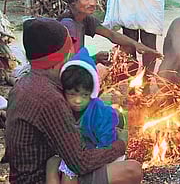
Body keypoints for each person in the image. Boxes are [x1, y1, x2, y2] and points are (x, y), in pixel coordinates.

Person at [4, 18, 142, 183]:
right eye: (70, 49)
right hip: (39, 179)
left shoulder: (25, 83)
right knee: (132, 170)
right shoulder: (49, 97)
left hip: (29, 173)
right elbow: (80, 163)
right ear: (59, 57)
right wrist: (119, 146)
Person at [46, 47, 126, 184]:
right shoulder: (61, 109)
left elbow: (106, 145)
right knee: (52, 164)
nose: (78, 100)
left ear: (92, 92)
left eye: (84, 95)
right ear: (63, 91)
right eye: (72, 94)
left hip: (100, 154)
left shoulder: (102, 114)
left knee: (68, 176)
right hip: (76, 154)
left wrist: (82, 162)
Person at [58, 0, 162, 66]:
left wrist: (137, 45)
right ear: (73, 1)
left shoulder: (85, 20)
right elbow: (69, 65)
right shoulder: (68, 25)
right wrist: (94, 59)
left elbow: (111, 35)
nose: (93, 3)